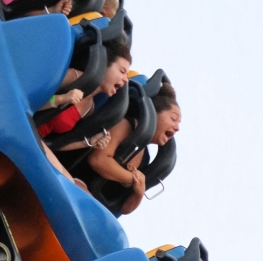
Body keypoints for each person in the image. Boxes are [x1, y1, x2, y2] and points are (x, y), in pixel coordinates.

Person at [85, 78, 180, 215]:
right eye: (173, 118)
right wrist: (131, 179)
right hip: (76, 182)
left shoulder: (145, 158)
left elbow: (124, 208)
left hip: (96, 208)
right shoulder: (125, 126)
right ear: (154, 112)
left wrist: (139, 192)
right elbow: (98, 160)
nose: (177, 128)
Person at [37, 36, 131, 149]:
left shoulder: (89, 108)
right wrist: (61, 99)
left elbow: (57, 145)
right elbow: (31, 99)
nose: (126, 79)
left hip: (38, 143)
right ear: (104, 65)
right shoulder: (74, 77)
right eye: (122, 71)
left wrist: (89, 142)